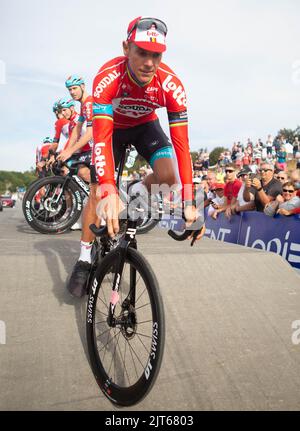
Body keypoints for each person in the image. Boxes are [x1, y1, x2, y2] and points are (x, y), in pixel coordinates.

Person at [67, 16, 204, 297]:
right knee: (97, 192)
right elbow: (102, 138)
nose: (149, 62)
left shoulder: (171, 84)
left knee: (169, 177)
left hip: (145, 126)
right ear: (126, 48)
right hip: (112, 129)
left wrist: (190, 202)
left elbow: (182, 144)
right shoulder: (108, 77)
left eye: (156, 55)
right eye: (142, 52)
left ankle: (137, 191)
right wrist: (106, 188)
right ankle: (83, 256)